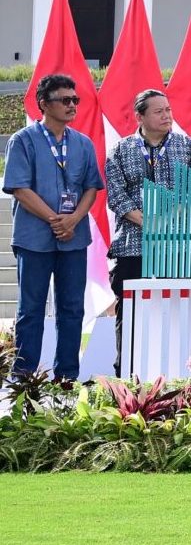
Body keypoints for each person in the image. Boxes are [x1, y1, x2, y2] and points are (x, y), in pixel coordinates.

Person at [3, 73, 104, 383]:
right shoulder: (23, 140)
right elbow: (19, 188)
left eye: (75, 99)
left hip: (73, 239)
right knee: (31, 309)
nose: (72, 105)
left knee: (72, 309)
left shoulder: (82, 143)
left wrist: (73, 219)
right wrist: (55, 219)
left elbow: (92, 187)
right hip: (34, 239)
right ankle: (25, 378)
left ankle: (67, 378)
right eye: (65, 100)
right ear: (44, 104)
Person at [102, 87, 191, 375]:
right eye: (158, 111)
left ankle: (179, 373)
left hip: (177, 245)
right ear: (140, 116)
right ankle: (126, 373)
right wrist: (147, 222)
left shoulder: (187, 146)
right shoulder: (120, 150)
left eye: (168, 110)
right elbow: (117, 196)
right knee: (130, 310)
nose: (166, 115)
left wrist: (170, 221)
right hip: (133, 245)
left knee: (177, 309)